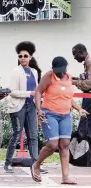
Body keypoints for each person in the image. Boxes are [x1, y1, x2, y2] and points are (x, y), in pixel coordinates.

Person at [32, 56, 88, 184]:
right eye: (57, 70)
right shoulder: (48, 76)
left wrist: (78, 108)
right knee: (52, 145)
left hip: (65, 115)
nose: (60, 73)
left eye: (62, 70)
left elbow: (68, 97)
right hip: (49, 113)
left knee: (65, 145)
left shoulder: (68, 77)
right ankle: (36, 164)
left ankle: (65, 177)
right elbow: (38, 92)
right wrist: (39, 110)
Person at [5, 41, 41, 173]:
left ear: (30, 57)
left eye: (25, 56)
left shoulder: (34, 72)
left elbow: (37, 90)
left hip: (31, 106)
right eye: (20, 56)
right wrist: (29, 93)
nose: (23, 58)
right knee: (17, 134)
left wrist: (38, 107)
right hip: (19, 107)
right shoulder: (16, 71)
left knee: (33, 135)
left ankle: (36, 164)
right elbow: (12, 91)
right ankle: (8, 162)